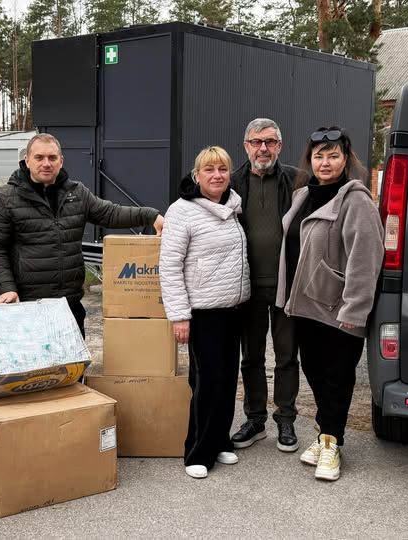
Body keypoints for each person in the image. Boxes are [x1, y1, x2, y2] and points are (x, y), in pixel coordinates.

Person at [275, 127, 384, 481]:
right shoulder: (303, 195)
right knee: (316, 375)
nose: (325, 162)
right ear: (310, 159)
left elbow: (366, 261)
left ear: (345, 160)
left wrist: (355, 310)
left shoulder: (356, 200)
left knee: (337, 379)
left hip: (339, 309)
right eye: (319, 156)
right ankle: (325, 435)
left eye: (333, 155)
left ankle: (332, 443)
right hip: (306, 305)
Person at [0, 133, 164, 337]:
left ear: (61, 161)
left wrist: (150, 215)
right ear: (27, 160)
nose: (46, 163)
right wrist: (6, 288)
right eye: (39, 157)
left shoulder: (77, 194)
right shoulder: (4, 198)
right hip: (27, 305)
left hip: (69, 304)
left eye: (52, 158)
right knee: (37, 368)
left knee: (74, 368)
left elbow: (110, 213)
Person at [160, 146, 251, 479]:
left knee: (227, 379)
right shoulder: (182, 211)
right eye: (209, 170)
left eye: (223, 170)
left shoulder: (233, 206)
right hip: (203, 312)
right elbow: (169, 267)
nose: (217, 176)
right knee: (207, 381)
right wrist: (179, 315)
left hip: (233, 308)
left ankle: (220, 440)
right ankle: (197, 450)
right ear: (196, 175)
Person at [230, 118, 301, 453]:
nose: (263, 148)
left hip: (287, 285)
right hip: (247, 287)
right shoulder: (231, 184)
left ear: (279, 146)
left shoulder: (296, 180)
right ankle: (255, 419)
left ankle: (285, 419)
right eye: (256, 142)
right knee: (252, 356)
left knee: (287, 356)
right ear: (246, 146)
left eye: (270, 142)